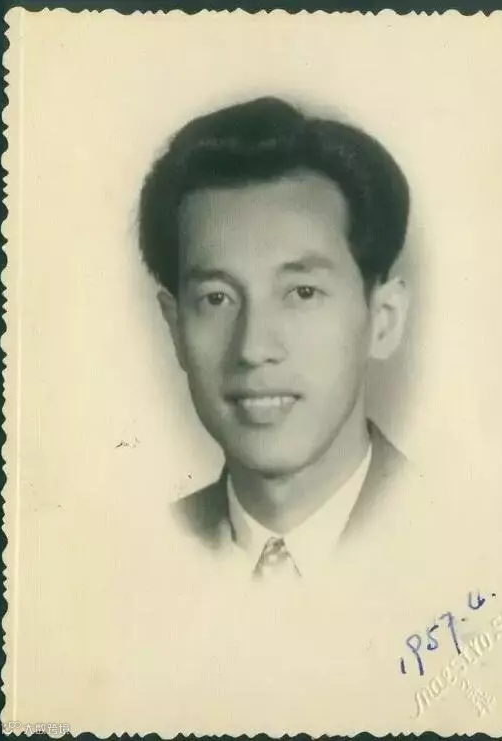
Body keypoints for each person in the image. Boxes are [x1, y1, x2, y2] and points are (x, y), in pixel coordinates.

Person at [138, 96, 411, 582]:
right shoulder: (126, 558)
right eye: (217, 299)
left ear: (383, 319)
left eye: (302, 293)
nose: (252, 348)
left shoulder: (478, 542)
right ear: (175, 328)